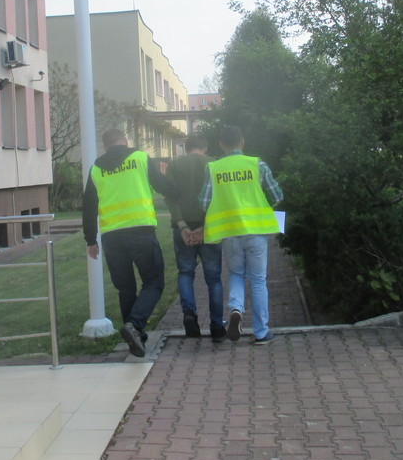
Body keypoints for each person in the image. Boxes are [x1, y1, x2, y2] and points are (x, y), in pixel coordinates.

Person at [82, 128, 178, 357]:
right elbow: (162, 186)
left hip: (112, 236)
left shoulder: (96, 169)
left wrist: (90, 239)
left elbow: (88, 206)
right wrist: (182, 192)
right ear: (124, 141)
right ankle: (134, 326)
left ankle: (136, 337)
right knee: (154, 282)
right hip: (140, 230)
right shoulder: (140, 158)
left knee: (125, 288)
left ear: (105, 146)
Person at [200, 125, 283, 345]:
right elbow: (276, 195)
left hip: (230, 233)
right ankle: (261, 333)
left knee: (236, 274)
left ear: (221, 144)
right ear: (242, 142)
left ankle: (236, 309)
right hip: (255, 231)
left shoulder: (213, 168)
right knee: (258, 280)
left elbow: (204, 201)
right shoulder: (257, 164)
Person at [164, 134, 226, 342]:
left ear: (186, 147)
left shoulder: (174, 165)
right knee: (214, 278)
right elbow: (218, 198)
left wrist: (182, 225)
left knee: (185, 272)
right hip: (208, 226)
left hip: (181, 227)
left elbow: (170, 197)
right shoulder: (214, 164)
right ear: (205, 147)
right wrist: (203, 227)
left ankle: (189, 314)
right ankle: (217, 326)